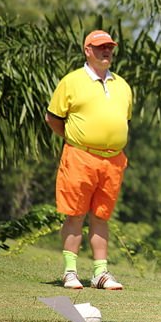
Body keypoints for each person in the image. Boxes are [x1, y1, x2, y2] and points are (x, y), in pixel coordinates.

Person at [45, 30, 133, 290]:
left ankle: (100, 273)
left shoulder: (122, 85)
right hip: (80, 157)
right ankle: (70, 272)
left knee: (101, 217)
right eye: (99, 47)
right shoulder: (72, 81)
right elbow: (53, 118)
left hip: (113, 161)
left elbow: (122, 121)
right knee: (75, 215)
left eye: (109, 47)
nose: (105, 51)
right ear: (87, 50)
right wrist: (76, 139)